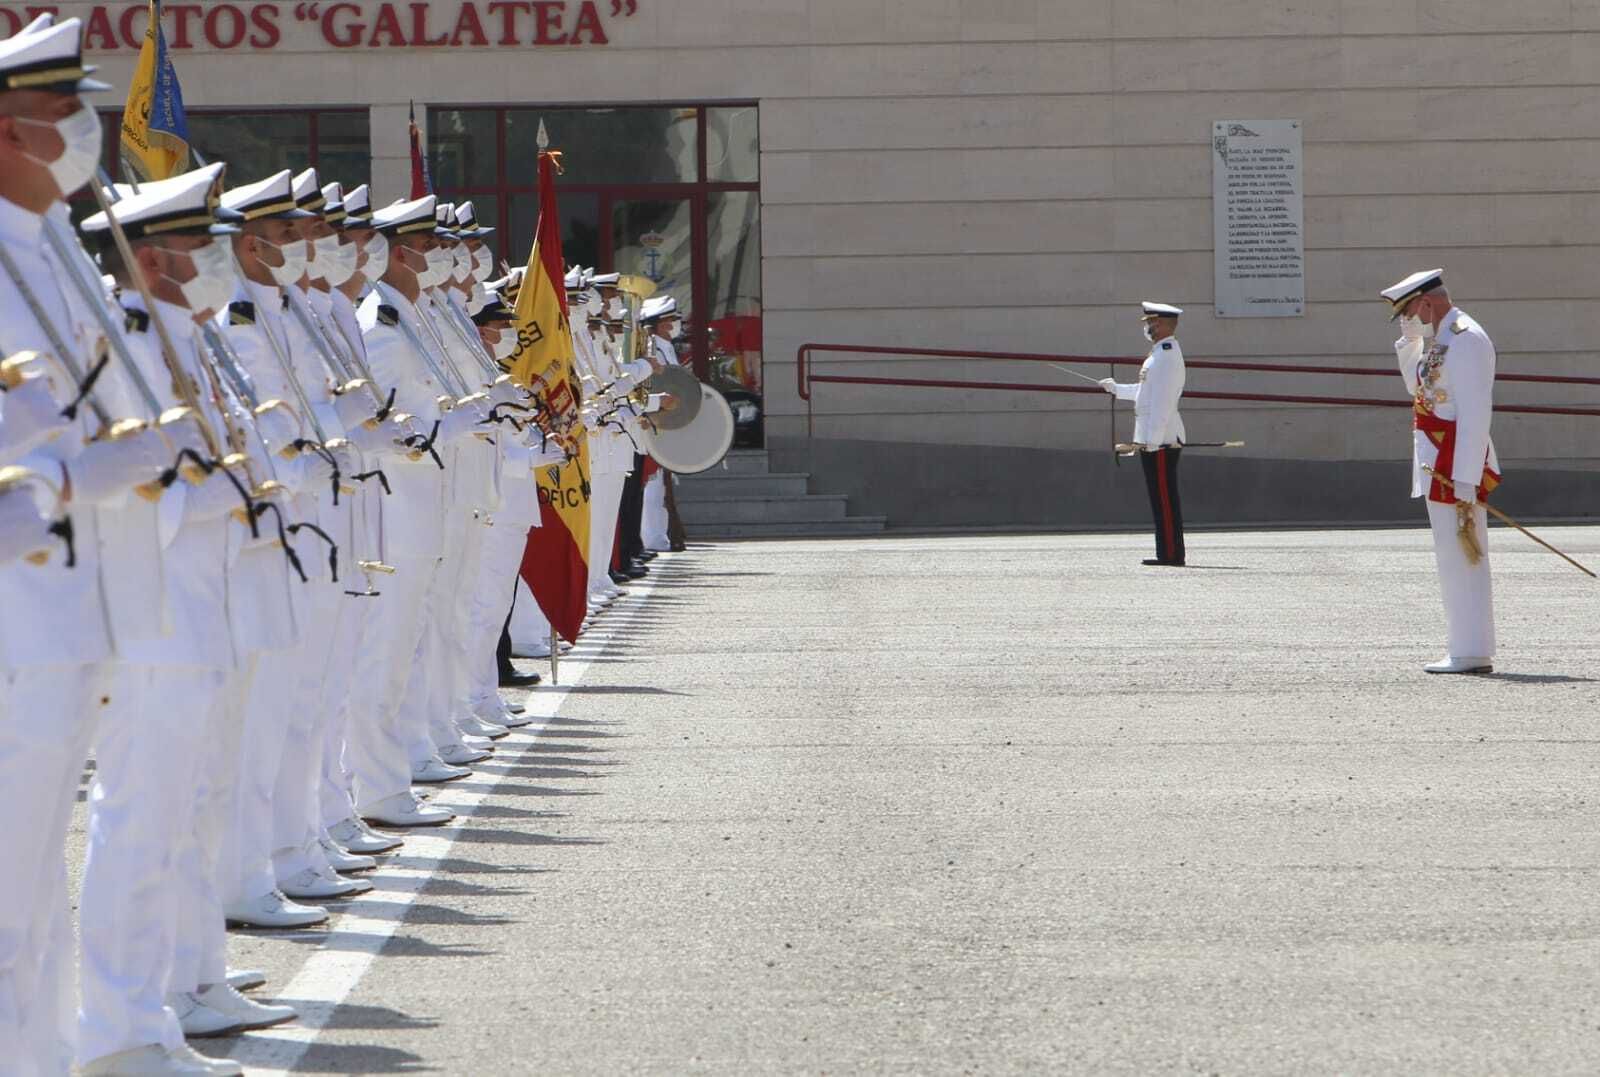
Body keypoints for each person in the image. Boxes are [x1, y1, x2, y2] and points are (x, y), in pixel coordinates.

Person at [1382, 269, 1499, 675]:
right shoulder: (1444, 338)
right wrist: (1410, 342)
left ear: (1427, 303)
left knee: (1464, 557)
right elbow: (1419, 390)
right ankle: (1465, 647)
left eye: (1411, 312)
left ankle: (1471, 651)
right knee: (1452, 557)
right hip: (1439, 462)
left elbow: (1475, 413)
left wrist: (1466, 478)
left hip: (1454, 464)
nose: (1411, 319)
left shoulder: (1466, 339)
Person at [1100, 301, 1187, 567]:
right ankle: (1167, 552)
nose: (1147, 327)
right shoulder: (1159, 354)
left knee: (1164, 498)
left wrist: (1153, 441)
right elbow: (1145, 393)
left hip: (1160, 440)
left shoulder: (1165, 357)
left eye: (1150, 323)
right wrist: (1117, 389)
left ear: (1159, 325)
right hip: (1154, 439)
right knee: (1160, 498)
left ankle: (1171, 554)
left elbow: (1162, 403)